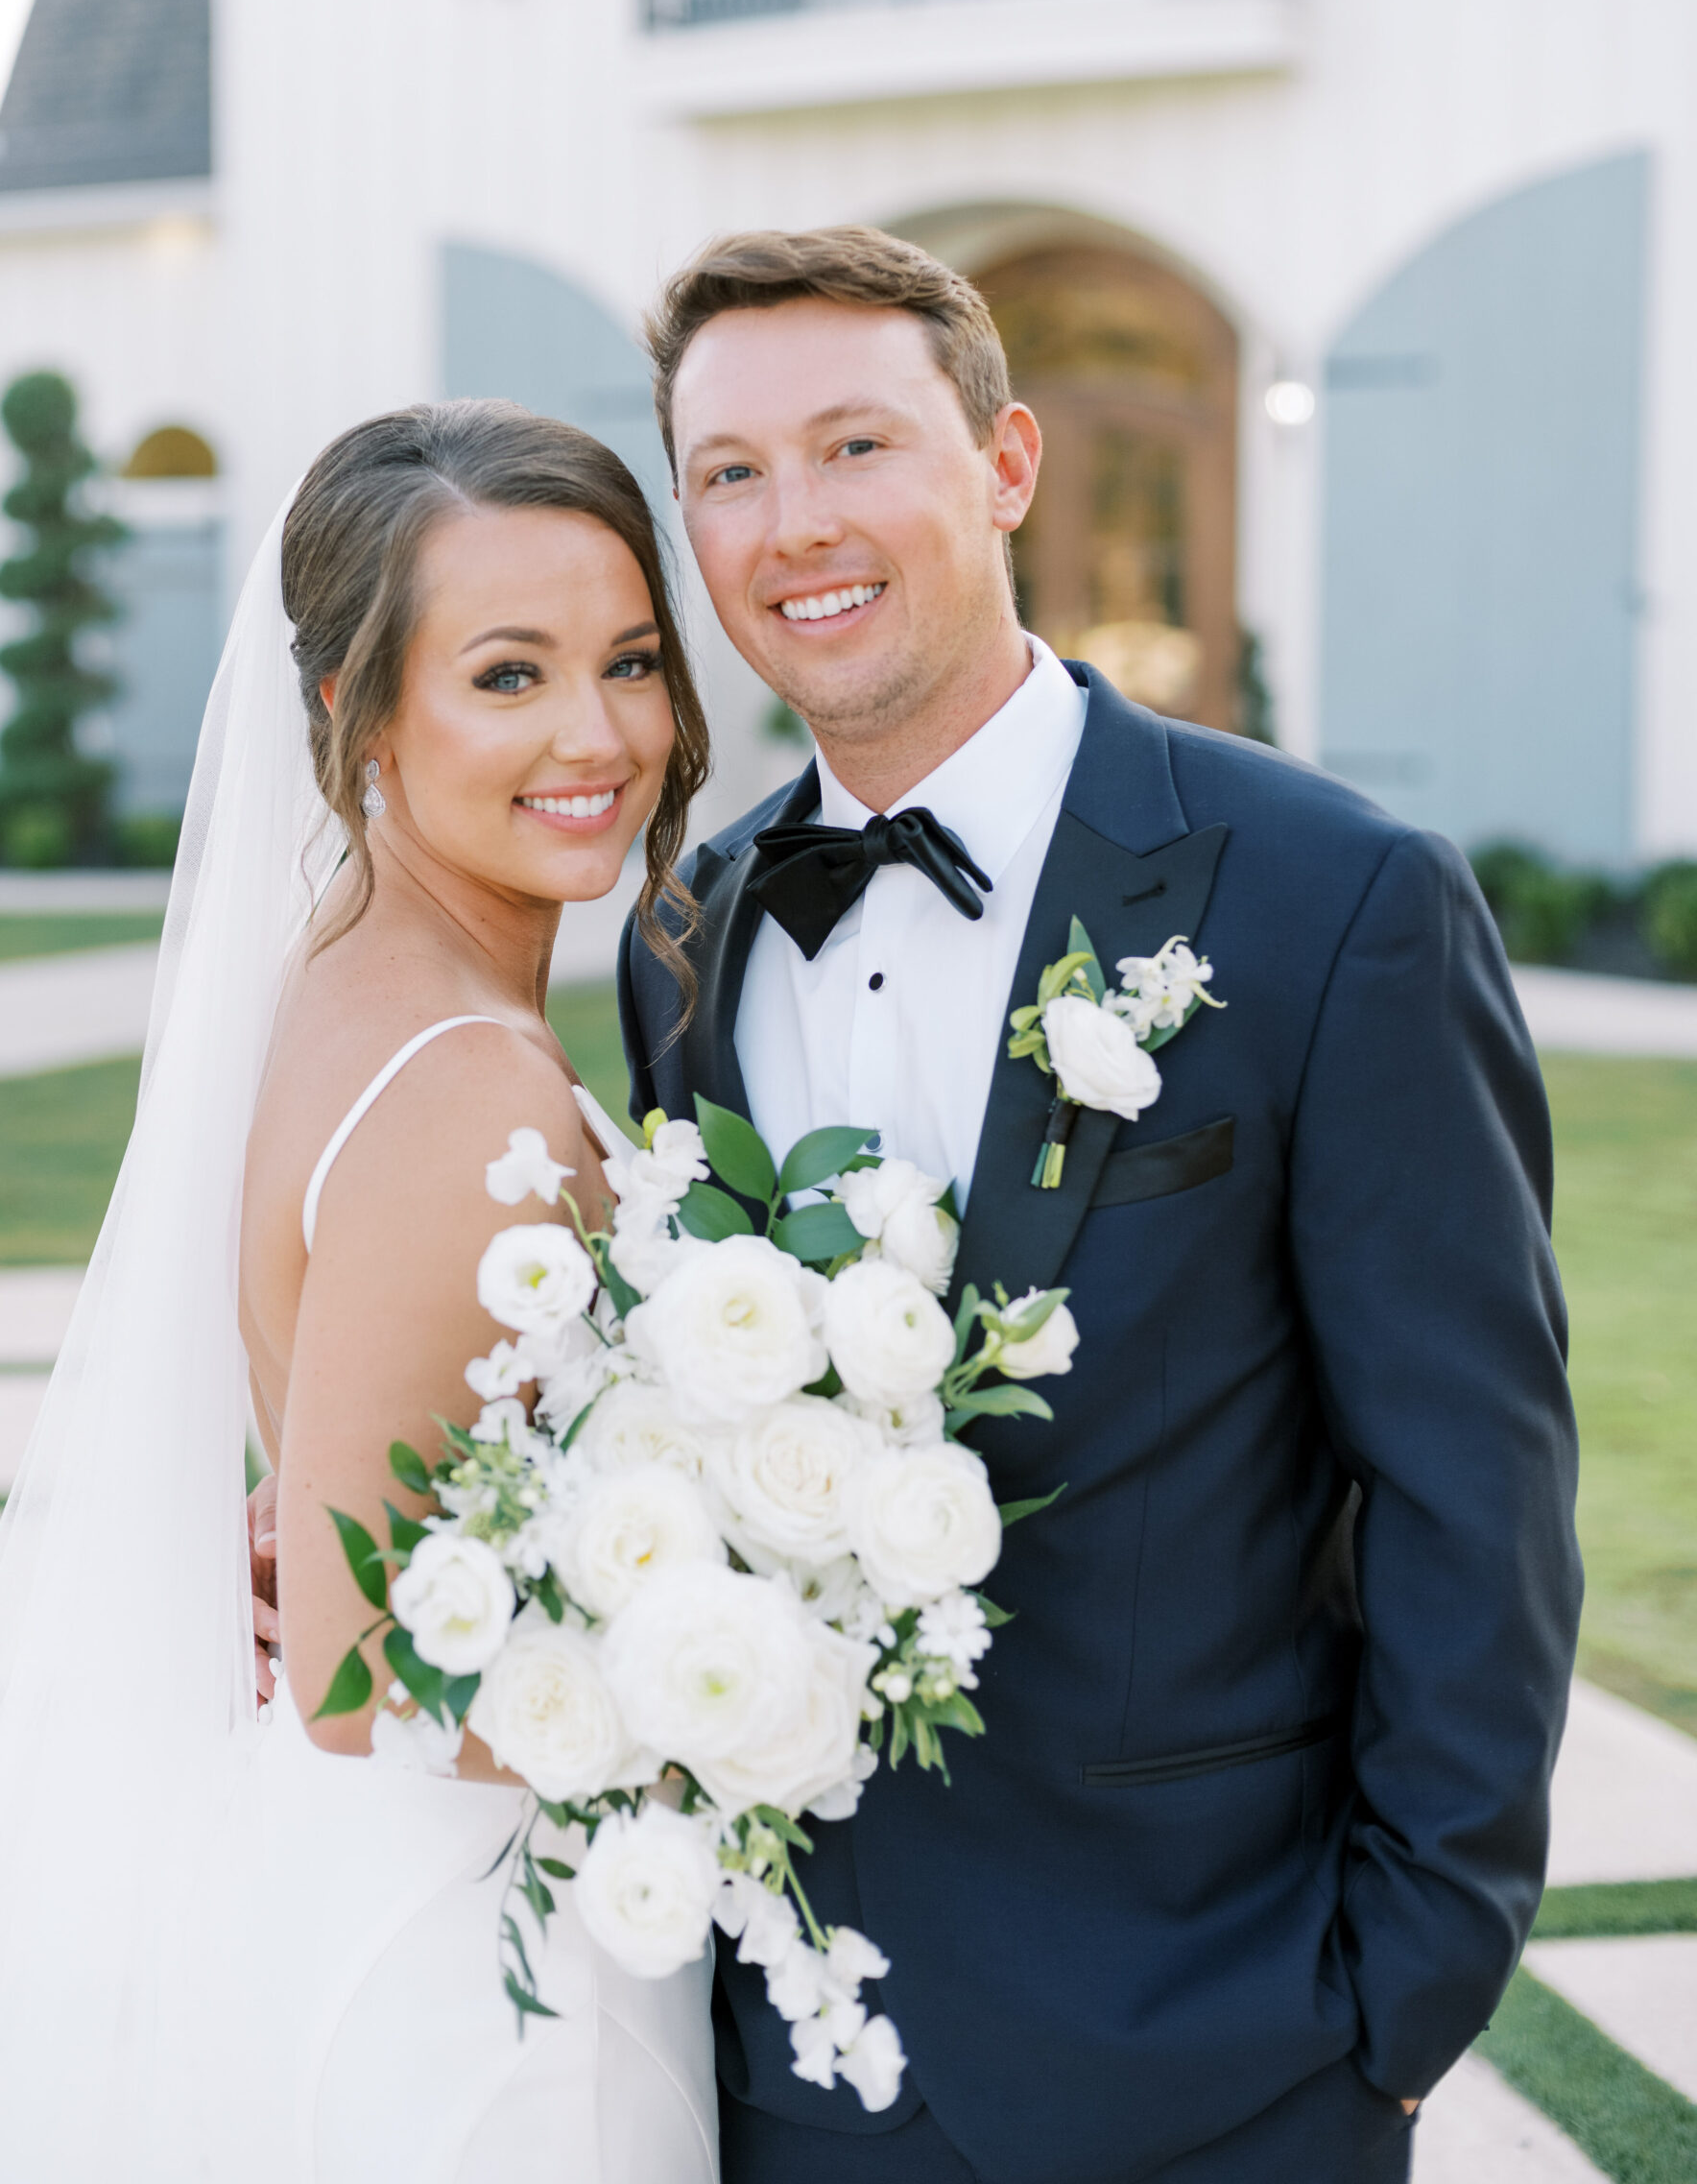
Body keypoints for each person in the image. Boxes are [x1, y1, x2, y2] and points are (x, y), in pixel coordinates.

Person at [616, 228, 1581, 2183]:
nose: (793, 521)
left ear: (1007, 463)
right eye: (729, 471)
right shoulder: (687, 932)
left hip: (1226, 2047)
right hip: (799, 2058)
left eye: (856, 443)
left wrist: (1403, 1988)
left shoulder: (1337, 902)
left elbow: (1476, 1489)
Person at [0, 401, 721, 2182]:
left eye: (631, 661)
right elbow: (364, 1674)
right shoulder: (461, 1081)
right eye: (507, 675)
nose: (599, 734)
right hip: (500, 1984)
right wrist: (768, 1673)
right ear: (354, 711)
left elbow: (365, 1505)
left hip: (398, 1914)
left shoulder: (335, 976)